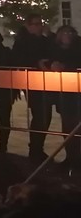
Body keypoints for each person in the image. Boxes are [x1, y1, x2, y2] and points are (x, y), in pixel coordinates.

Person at [12, 13, 55, 162]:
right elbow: (18, 59)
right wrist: (37, 63)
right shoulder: (22, 42)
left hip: (47, 81)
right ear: (28, 26)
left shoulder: (44, 39)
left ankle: (38, 147)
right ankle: (35, 149)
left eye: (40, 23)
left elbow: (53, 49)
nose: (38, 27)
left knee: (45, 115)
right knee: (40, 115)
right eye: (35, 24)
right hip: (32, 82)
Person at [48, 25, 81, 169]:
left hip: (77, 92)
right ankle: (71, 157)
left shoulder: (78, 47)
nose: (67, 35)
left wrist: (65, 66)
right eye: (64, 32)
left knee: (77, 127)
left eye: (69, 32)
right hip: (63, 93)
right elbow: (48, 60)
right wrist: (52, 65)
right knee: (67, 127)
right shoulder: (55, 49)